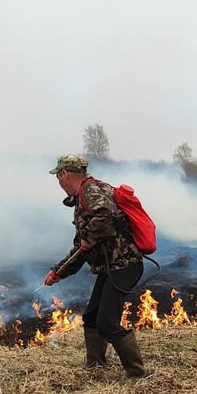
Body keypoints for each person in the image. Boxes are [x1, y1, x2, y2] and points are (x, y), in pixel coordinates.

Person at [44, 155, 147, 378]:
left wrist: (89, 237)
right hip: (112, 268)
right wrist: (58, 272)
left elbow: (106, 217)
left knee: (107, 323)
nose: (59, 183)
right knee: (92, 317)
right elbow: (81, 249)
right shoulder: (85, 196)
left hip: (124, 266)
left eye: (58, 177)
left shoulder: (91, 191)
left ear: (64, 174)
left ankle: (137, 374)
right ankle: (96, 365)